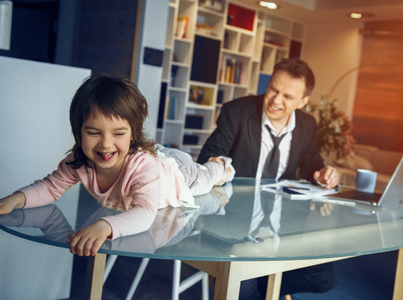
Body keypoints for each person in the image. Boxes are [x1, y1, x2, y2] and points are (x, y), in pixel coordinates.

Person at [0, 74, 233, 257]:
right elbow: (49, 188)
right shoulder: (78, 160)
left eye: (118, 133)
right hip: (153, 157)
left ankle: (222, 165)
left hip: (177, 172)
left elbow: (144, 213)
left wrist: (104, 226)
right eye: (93, 132)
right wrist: (15, 199)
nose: (106, 144)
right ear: (78, 131)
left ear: (132, 134)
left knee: (208, 179)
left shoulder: (143, 167)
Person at [197, 58, 339, 299]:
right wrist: (218, 165)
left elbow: (311, 163)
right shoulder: (237, 112)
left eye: (287, 96)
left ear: (303, 101)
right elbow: (210, 155)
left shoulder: (307, 125)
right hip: (236, 219)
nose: (275, 100)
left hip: (284, 224)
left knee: (324, 277)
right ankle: (252, 283)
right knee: (242, 288)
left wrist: (323, 173)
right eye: (273, 89)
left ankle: (262, 286)